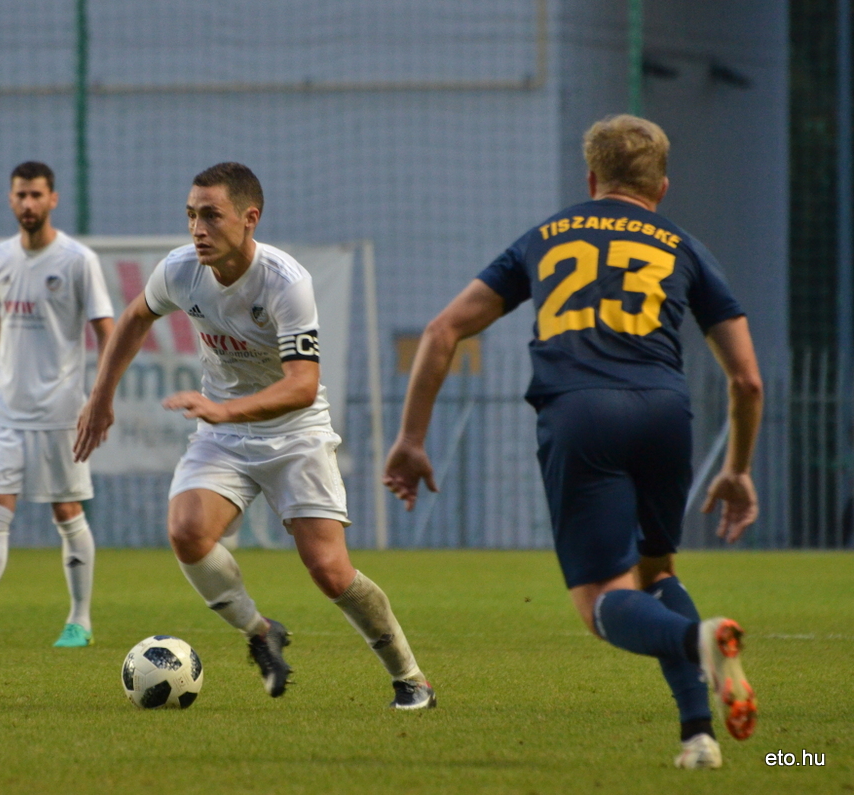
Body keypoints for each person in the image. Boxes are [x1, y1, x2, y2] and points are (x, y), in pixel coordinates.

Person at [384, 115, 762, 766]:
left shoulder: (546, 237)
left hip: (582, 414)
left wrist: (412, 437)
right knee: (656, 571)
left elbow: (444, 329)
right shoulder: (683, 244)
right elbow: (748, 381)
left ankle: (698, 639)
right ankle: (697, 734)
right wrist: (737, 468)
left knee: (601, 607)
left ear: (591, 179)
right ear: (662, 187)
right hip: (664, 412)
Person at [75, 162, 434, 709]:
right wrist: (100, 399)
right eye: (191, 215)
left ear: (250, 218)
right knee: (187, 531)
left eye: (211, 216)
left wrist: (226, 409)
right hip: (225, 433)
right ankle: (261, 632)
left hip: (295, 434)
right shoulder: (179, 271)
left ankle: (412, 680)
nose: (198, 228)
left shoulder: (286, 282)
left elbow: (302, 385)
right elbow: (132, 318)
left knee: (330, 572)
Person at [0, 161, 115, 650]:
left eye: (37, 195)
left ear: (53, 199)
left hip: (60, 412)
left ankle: (80, 621)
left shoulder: (78, 260)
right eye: (20, 195)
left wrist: (101, 398)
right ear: (10, 200)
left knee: (67, 511)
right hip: (5, 412)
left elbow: (109, 333)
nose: (28, 204)